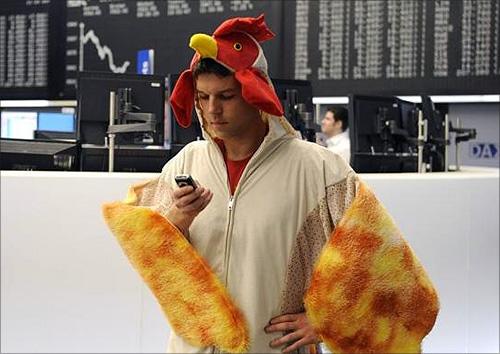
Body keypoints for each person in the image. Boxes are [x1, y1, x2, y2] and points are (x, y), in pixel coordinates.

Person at [103, 14, 438, 354]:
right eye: (202, 97)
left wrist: (327, 320)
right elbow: (153, 255)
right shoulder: (187, 162)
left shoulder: (318, 169)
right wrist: (177, 220)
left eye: (226, 96)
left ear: (255, 92)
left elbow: (387, 269)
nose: (212, 110)